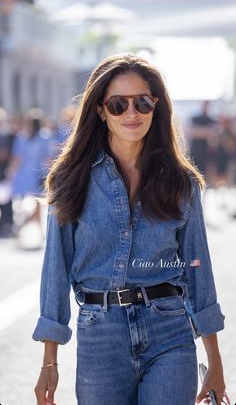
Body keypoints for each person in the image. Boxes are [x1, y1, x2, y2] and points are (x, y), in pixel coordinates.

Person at [33, 53, 228, 405]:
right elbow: (55, 271)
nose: (132, 113)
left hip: (170, 332)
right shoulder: (70, 180)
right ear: (100, 111)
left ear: (157, 107)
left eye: (142, 102)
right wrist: (50, 361)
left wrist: (215, 360)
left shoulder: (180, 182)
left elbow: (199, 269)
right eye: (118, 104)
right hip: (100, 337)